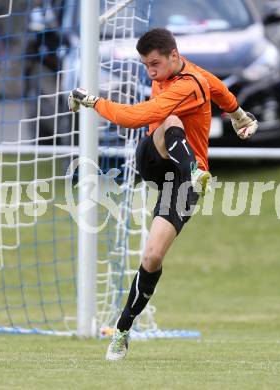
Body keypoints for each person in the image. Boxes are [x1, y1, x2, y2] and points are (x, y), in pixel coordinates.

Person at [68, 28, 258, 361]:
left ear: (174, 56)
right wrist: (239, 115)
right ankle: (188, 172)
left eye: (154, 63)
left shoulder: (188, 83)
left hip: (180, 184)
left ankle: (123, 330)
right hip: (155, 158)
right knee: (168, 120)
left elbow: (141, 114)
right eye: (145, 65)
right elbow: (218, 92)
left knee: (153, 256)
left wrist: (92, 100)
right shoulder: (185, 75)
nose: (150, 71)